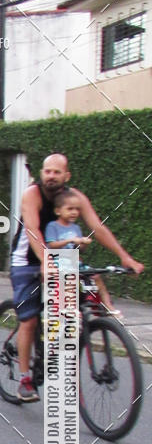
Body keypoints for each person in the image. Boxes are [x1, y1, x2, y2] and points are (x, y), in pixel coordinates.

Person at [10, 154, 143, 402]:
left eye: (56, 172)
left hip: (62, 260)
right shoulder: (32, 194)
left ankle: (64, 337)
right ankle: (25, 379)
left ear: (66, 176)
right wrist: (46, 261)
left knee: (84, 290)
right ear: (41, 173)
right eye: (47, 171)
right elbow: (32, 229)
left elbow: (98, 228)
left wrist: (125, 257)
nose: (50, 176)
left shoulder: (75, 197)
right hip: (27, 260)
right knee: (27, 320)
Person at [44, 190, 118, 314]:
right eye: (70, 209)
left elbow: (79, 250)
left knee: (96, 276)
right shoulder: (53, 226)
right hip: (58, 261)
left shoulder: (76, 228)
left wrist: (82, 244)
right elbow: (51, 245)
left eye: (77, 209)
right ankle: (70, 307)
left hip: (74, 261)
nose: (74, 212)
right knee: (70, 278)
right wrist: (71, 239)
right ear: (58, 211)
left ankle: (107, 305)